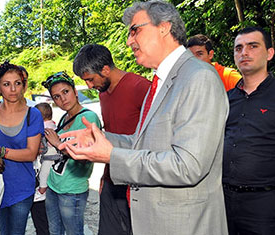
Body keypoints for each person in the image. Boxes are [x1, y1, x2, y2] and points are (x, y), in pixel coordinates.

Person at [57, 1, 229, 234]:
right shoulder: (161, 81)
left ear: (164, 28)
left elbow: (188, 166)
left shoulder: (199, 78)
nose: (129, 40)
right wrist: (100, 139)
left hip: (182, 225)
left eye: (135, 30)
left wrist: (112, 156)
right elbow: (143, 143)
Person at [73, 44, 150, 235]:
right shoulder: (103, 92)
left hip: (136, 178)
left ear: (105, 69)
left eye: (90, 79)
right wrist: (105, 175)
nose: (89, 86)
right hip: (111, 178)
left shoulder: (141, 87)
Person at [222, 26, 275, 234]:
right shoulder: (225, 99)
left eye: (253, 46)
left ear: (269, 53)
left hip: (267, 205)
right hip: (224, 202)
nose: (244, 53)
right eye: (239, 48)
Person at [0, 62, 44, 235]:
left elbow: (31, 153)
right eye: (6, 84)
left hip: (21, 189)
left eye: (17, 83)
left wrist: (0, 151)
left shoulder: (33, 114)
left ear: (23, 85)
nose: (13, 89)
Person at [42, 71, 101, 235]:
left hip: (72, 190)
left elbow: (87, 157)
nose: (62, 99)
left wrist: (59, 144)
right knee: (55, 231)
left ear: (75, 92)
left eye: (65, 92)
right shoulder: (64, 117)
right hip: (54, 185)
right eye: (56, 97)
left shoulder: (88, 117)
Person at [31, 102, 56, 235]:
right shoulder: (55, 128)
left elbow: (47, 161)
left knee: (41, 222)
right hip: (54, 181)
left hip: (42, 187)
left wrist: (42, 185)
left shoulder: (43, 133)